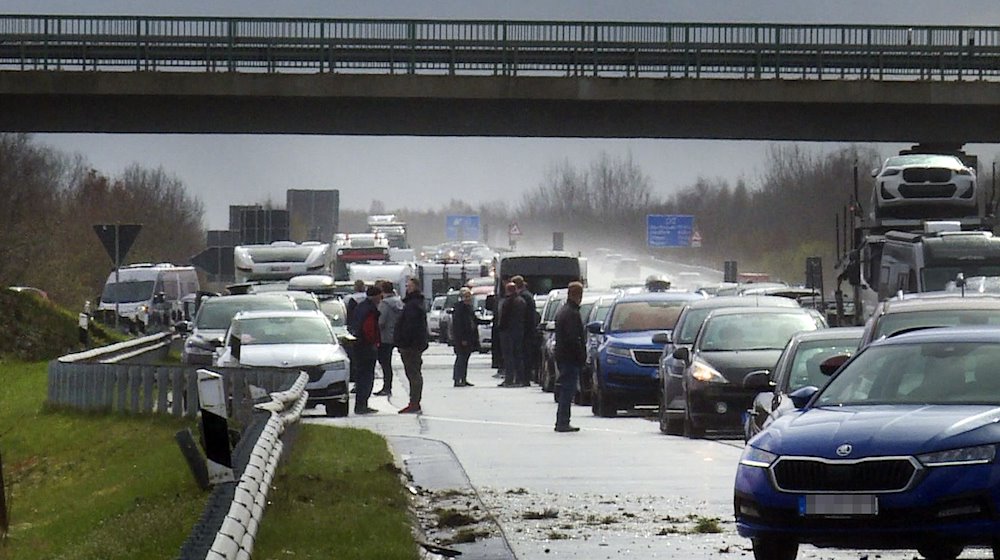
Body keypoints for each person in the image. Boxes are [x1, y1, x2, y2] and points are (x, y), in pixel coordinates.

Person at [554, 281, 586, 432]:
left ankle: (562, 420)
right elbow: (573, 338)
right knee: (568, 389)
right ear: (576, 295)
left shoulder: (564, 311)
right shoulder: (571, 313)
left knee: (566, 388)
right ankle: (563, 421)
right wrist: (580, 356)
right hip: (569, 358)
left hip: (563, 356)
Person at [395, 277, 429, 414]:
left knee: (413, 374)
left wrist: (404, 341)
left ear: (415, 287)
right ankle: (414, 401)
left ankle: (414, 402)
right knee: (414, 373)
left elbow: (411, 327)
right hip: (413, 345)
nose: (407, 288)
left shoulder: (413, 305)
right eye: (407, 286)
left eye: (410, 286)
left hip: (410, 346)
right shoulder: (415, 304)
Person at [348, 285, 382, 415]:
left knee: (361, 376)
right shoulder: (370, 310)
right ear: (377, 296)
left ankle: (360, 404)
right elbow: (368, 329)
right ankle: (362, 405)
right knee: (366, 376)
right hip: (366, 347)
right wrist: (374, 342)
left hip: (358, 346)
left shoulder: (360, 307)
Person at [375, 280, 403, 396]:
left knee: (385, 363)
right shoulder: (398, 302)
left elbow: (381, 321)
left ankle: (387, 387)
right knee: (387, 362)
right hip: (395, 334)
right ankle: (388, 386)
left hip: (384, 336)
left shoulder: (384, 304)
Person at [497, 281, 526, 387]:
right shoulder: (521, 301)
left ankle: (509, 379)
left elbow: (504, 317)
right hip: (519, 331)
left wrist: (500, 328)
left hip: (508, 332)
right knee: (518, 355)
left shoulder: (508, 302)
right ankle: (519, 379)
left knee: (508, 356)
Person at [511, 275, 538, 387]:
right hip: (528, 330)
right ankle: (523, 378)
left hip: (525, 330)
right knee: (524, 355)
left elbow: (524, 316)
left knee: (523, 355)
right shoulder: (528, 295)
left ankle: (523, 378)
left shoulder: (523, 297)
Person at [451, 287, 479, 387]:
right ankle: (457, 379)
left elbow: (475, 320)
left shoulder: (469, 309)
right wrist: (462, 339)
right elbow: (458, 326)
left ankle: (463, 378)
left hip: (469, 338)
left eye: (469, 297)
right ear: (461, 298)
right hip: (461, 339)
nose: (468, 299)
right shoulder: (459, 309)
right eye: (466, 297)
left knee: (465, 359)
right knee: (460, 359)